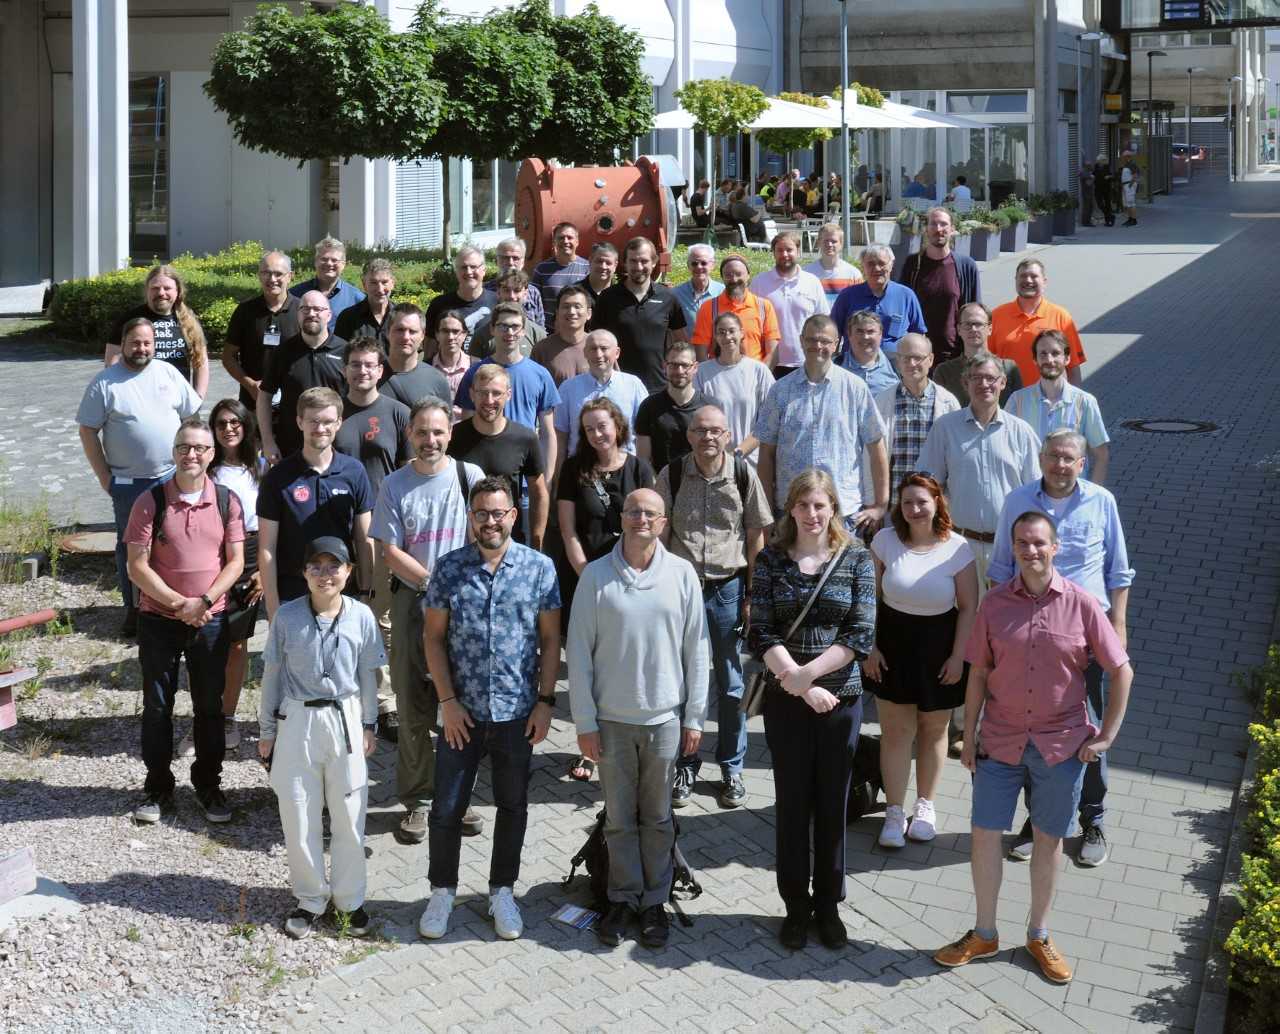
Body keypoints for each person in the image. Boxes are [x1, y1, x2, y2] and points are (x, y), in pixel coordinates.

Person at [933, 511, 1132, 986]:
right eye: (1023, 543)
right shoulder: (995, 604)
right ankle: (983, 933)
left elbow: (1121, 669)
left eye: (1039, 542)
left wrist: (1106, 736)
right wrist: (968, 733)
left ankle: (1038, 935)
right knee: (984, 834)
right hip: (999, 740)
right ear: (1013, 548)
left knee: (1049, 840)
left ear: (1055, 547)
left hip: (1060, 747)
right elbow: (978, 672)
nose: (1031, 550)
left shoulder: (1083, 605)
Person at [417, 478, 561, 942]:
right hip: (463, 713)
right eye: (481, 513)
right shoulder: (448, 569)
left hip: (518, 711)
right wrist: (448, 703)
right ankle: (442, 891)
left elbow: (550, 639)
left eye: (498, 513)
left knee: (513, 805)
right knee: (446, 808)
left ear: (513, 516)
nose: (490, 521)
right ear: (471, 517)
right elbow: (432, 639)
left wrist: (545, 701)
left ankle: (502, 891)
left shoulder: (539, 569)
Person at [568, 488, 708, 949]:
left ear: (663, 521)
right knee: (618, 820)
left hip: (665, 720)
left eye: (649, 513)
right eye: (632, 512)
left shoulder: (683, 575)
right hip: (610, 721)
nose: (640, 520)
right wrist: (584, 722)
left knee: (658, 817)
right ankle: (622, 899)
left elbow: (697, 649)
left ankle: (654, 902)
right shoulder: (595, 576)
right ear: (621, 518)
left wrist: (694, 718)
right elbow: (581, 656)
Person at [987, 430, 1134, 868]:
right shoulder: (1017, 501)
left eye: (1070, 458)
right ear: (1041, 458)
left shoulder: (1101, 502)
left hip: (1084, 640)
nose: (1061, 465)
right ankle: (1039, 820)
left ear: (1082, 463)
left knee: (1087, 731)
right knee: (1033, 728)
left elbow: (1118, 571)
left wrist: (1118, 626)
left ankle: (1092, 819)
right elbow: (999, 568)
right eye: (1053, 456)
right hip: (1027, 638)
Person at [748, 468, 876, 950]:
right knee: (792, 805)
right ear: (791, 509)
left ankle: (829, 906)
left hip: (840, 699)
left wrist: (811, 677)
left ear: (833, 507)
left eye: (820, 505)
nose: (812, 514)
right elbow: (761, 630)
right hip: (788, 702)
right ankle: (795, 906)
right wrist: (800, 686)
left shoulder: (857, 558)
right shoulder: (771, 559)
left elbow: (860, 634)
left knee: (832, 804)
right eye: (803, 505)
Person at [371, 398, 486, 846]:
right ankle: (417, 802)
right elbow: (390, 552)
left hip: (464, 607)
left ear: (450, 433)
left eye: (437, 431)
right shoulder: (395, 486)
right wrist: (434, 584)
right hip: (412, 604)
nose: (430, 440)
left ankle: (458, 796)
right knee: (414, 705)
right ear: (410, 435)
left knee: (461, 705)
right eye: (422, 432)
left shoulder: (468, 478)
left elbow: (487, 536)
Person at [257, 536, 383, 941]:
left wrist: (369, 724)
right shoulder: (287, 617)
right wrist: (266, 732)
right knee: (298, 814)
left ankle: (349, 901)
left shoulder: (362, 616)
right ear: (304, 572)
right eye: (317, 566)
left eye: (335, 566)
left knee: (348, 814)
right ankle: (310, 898)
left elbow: (369, 675)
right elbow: (272, 676)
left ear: (348, 572)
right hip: (297, 718)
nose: (325, 574)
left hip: (344, 717)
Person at [125, 417, 246, 825]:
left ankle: (209, 786)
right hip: (159, 619)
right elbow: (137, 567)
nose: (191, 455)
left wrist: (205, 601)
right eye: (183, 447)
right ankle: (158, 787)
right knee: (158, 706)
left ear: (212, 454)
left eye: (199, 448)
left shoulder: (228, 500)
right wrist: (181, 604)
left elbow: (237, 562)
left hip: (210, 620)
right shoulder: (150, 501)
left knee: (209, 707)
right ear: (173, 452)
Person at [657, 402, 772, 810]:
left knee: (730, 683)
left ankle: (731, 768)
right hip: (682, 590)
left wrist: (753, 595)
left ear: (727, 435)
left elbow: (756, 535)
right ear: (689, 435)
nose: (708, 437)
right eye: (700, 430)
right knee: (685, 683)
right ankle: (686, 764)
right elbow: (659, 533)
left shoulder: (743, 475)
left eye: (716, 431)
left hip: (728, 589)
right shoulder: (671, 474)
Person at [862, 474, 977, 847]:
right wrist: (871, 648)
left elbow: (969, 607)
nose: (914, 509)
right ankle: (894, 812)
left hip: (939, 651)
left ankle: (925, 806)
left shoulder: (957, 548)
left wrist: (959, 657)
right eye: (908, 502)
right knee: (896, 733)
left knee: (933, 730)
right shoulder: (884, 541)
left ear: (937, 503)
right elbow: (868, 600)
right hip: (892, 647)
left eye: (922, 502)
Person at [77, 317, 202, 637]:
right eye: (135, 342)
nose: (141, 348)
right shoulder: (105, 382)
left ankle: (173, 606)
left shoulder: (168, 373)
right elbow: (88, 430)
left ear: (154, 345)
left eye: (147, 343)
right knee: (133, 549)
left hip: (171, 477)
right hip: (129, 484)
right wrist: (104, 477)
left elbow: (192, 417)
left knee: (175, 543)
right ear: (123, 343)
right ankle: (134, 609)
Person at [176, 399, 265, 758]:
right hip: (213, 557)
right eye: (221, 423)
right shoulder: (205, 470)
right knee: (205, 642)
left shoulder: (261, 468)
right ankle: (204, 719)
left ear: (246, 427)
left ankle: (227, 717)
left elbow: (274, 522)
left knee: (237, 644)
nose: (229, 428)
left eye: (236, 422)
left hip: (251, 554)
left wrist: (262, 569)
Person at [917, 351, 1041, 592]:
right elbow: (928, 485)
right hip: (960, 546)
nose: (984, 384)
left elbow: (1037, 493)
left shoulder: (1022, 432)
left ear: (1003, 383)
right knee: (964, 619)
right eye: (976, 378)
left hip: (1009, 548)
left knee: (1007, 619)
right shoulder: (945, 428)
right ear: (965, 383)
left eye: (990, 378)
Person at [754, 315, 888, 536]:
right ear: (801, 341)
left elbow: (876, 446)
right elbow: (766, 454)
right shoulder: (780, 390)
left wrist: (880, 505)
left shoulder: (855, 388)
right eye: (812, 340)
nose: (818, 346)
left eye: (825, 341)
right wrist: (766, 511)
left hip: (843, 513)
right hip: (791, 512)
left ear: (836, 344)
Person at [257, 387, 374, 619]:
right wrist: (273, 607)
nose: (320, 429)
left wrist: (366, 591)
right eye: (313, 421)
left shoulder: (354, 471)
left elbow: (364, 539)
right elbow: (267, 548)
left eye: (328, 421)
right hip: (293, 595)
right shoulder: (277, 477)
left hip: (343, 593)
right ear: (300, 422)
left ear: (339, 423)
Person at [557, 398, 656, 650]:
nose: (597, 434)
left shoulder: (640, 469)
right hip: (586, 572)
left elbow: (651, 529)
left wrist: (638, 576)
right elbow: (568, 531)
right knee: (588, 648)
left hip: (632, 575)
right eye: (589, 429)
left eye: (602, 426)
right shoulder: (573, 469)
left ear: (618, 426)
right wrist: (588, 575)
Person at [449, 364, 550, 549]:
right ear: (472, 394)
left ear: (508, 395)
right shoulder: (452, 438)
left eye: (496, 393)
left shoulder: (525, 438)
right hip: (461, 543)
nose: (489, 400)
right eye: (482, 393)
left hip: (509, 542)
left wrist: (537, 542)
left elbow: (539, 492)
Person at [453, 302, 560, 478]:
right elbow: (467, 428)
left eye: (515, 326)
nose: (509, 332)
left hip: (525, 477)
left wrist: (547, 479)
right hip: (481, 476)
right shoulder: (475, 373)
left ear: (523, 331)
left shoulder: (540, 374)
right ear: (492, 330)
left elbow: (548, 434)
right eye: (503, 326)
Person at [869, 333, 960, 512]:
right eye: (905, 358)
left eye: (917, 358)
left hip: (934, 506)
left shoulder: (948, 402)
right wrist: (876, 502)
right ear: (897, 362)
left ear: (931, 359)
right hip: (894, 506)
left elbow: (956, 459)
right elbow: (871, 456)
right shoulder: (882, 401)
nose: (911, 364)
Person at [1004, 329, 1110, 483]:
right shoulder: (1017, 400)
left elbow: (1102, 455)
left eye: (1055, 353)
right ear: (1035, 359)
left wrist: (1092, 498)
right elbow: (1005, 449)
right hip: (1030, 496)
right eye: (1043, 354)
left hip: (1072, 498)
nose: (1049, 359)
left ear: (1067, 358)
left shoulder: (1085, 402)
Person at [256, 291, 346, 464]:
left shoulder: (345, 352)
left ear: (329, 315)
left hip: (336, 449)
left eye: (317, 309)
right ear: (298, 314)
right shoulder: (283, 352)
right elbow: (264, 397)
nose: (311, 314)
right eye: (305, 309)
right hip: (291, 448)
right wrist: (268, 441)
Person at [589, 237, 687, 393]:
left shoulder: (667, 297)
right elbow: (594, 339)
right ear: (625, 263)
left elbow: (681, 341)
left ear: (654, 262)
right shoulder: (608, 298)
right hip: (618, 385)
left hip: (658, 386)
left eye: (644, 261)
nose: (638, 266)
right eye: (633, 261)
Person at [106, 265, 210, 398]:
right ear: (147, 291)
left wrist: (197, 397)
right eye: (155, 288)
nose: (161, 293)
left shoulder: (189, 320)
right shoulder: (130, 320)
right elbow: (112, 362)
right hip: (140, 399)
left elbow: (200, 362)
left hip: (180, 400)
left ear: (177, 291)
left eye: (167, 288)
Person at [896, 207, 982, 366]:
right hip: (918, 356)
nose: (938, 229)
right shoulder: (913, 264)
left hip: (954, 356)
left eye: (943, 224)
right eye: (933, 224)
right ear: (926, 229)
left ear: (952, 229)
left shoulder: (966, 266)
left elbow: (975, 313)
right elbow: (901, 309)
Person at [553, 330, 648, 464]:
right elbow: (560, 437)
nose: (598, 354)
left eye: (604, 348)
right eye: (593, 349)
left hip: (625, 469)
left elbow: (645, 434)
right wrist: (557, 478)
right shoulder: (568, 388)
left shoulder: (633, 385)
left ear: (617, 352)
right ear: (585, 353)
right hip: (580, 469)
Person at [989, 259, 1087, 388]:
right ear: (1016, 280)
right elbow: (986, 361)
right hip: (1007, 400)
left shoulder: (1061, 317)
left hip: (1049, 401)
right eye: (1023, 276)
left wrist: (1075, 402)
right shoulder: (997, 315)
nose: (1028, 280)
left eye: (1034, 276)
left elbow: (1073, 367)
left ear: (1044, 282)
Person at [222, 250, 300, 411]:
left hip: (294, 406)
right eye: (266, 273)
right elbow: (228, 356)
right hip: (252, 403)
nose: (272, 279)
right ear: (259, 275)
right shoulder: (245, 311)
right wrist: (249, 385)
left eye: (278, 274)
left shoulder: (302, 310)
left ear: (290, 276)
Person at [692, 312, 774, 463]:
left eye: (731, 331)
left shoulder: (759, 370)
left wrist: (739, 452)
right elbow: (695, 419)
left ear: (742, 333)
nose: (727, 336)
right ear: (715, 337)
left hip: (751, 463)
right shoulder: (701, 373)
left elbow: (769, 419)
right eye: (721, 332)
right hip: (712, 462)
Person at [750, 231, 830, 379]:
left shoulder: (812, 282)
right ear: (773, 253)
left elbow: (822, 322)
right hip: (770, 362)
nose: (785, 254)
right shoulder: (759, 283)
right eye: (780, 250)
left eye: (789, 250)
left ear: (798, 251)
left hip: (806, 360)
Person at [829, 245, 927, 359]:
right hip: (854, 367)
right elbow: (833, 333)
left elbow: (919, 334)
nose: (876, 268)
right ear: (863, 267)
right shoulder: (848, 296)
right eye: (870, 264)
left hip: (895, 368)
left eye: (881, 263)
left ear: (891, 265)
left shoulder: (906, 295)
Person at [689, 254, 781, 366]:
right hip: (719, 377)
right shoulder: (708, 308)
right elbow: (701, 353)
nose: (734, 279)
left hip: (754, 377)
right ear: (722, 278)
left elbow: (773, 352)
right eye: (728, 275)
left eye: (738, 274)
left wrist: (760, 377)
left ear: (748, 275)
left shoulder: (764, 307)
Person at [933, 302, 1022, 408]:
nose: (973, 329)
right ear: (959, 330)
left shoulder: (1009, 368)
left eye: (978, 324)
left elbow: (1019, 408)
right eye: (968, 324)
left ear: (990, 329)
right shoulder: (944, 372)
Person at [635, 342, 705, 474]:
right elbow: (643, 460)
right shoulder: (649, 407)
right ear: (664, 366)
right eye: (673, 365)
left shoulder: (709, 406)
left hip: (700, 486)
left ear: (695, 367)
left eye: (685, 365)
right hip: (662, 487)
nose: (679, 371)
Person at [380, 303, 453, 411]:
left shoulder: (437, 381)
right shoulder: (369, 376)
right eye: (400, 330)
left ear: (422, 335)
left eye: (412, 331)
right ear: (387, 332)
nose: (406, 337)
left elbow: (445, 425)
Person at [423, 246, 497, 346]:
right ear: (456, 271)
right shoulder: (439, 305)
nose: (469, 272)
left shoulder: (497, 301)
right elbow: (429, 348)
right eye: (463, 267)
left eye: (473, 267)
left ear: (484, 270)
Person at [290, 236, 365, 332]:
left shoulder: (357, 298)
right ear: (315, 262)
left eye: (334, 260)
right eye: (324, 259)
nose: (329, 263)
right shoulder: (295, 294)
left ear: (343, 264)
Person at [470, 270, 547, 361]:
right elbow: (475, 372)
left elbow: (541, 370)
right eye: (506, 290)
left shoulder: (538, 334)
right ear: (498, 293)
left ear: (526, 294)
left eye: (517, 290)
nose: (512, 296)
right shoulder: (480, 335)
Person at [531, 222, 590, 329]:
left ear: (577, 242)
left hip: (580, 333)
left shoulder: (587, 268)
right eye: (561, 238)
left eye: (570, 237)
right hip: (549, 332)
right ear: (554, 242)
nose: (565, 241)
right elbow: (533, 302)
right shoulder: (542, 269)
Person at [530, 284, 591, 387]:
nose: (571, 312)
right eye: (566, 307)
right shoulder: (542, 349)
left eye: (577, 306)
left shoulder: (599, 346)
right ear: (557, 313)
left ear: (588, 314)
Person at [427, 310, 479, 422]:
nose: (451, 337)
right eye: (445, 331)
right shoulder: (425, 368)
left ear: (464, 335)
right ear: (437, 335)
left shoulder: (476, 367)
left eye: (456, 332)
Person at [484, 237, 545, 330]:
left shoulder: (533, 292)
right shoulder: (485, 291)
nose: (510, 262)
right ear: (497, 261)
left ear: (523, 262)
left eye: (515, 258)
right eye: (505, 258)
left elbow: (540, 328)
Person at [334, 258, 396, 346]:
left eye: (384, 282)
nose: (380, 289)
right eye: (373, 283)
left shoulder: (402, 317)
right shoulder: (348, 318)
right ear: (364, 285)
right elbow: (338, 355)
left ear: (393, 283)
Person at [802, 223, 864, 307]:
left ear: (841, 244)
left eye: (834, 241)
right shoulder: (807, 273)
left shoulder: (853, 274)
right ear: (819, 243)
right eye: (826, 241)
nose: (829, 244)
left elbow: (859, 304)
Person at [840, 311, 899, 393]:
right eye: (859, 331)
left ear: (880, 334)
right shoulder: (835, 365)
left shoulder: (897, 365)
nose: (865, 337)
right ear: (849, 334)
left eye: (870, 331)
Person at [670, 244, 724, 331]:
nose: (699, 267)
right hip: (687, 344)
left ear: (712, 265)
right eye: (694, 263)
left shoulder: (722, 292)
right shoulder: (676, 294)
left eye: (703, 263)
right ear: (688, 265)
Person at [575, 241, 619, 309]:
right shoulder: (574, 292)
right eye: (599, 261)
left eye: (608, 263)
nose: (603, 267)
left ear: (615, 265)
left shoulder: (621, 296)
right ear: (590, 261)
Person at [1093, 155, 1115, 227]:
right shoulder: (1096, 167)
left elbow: (1112, 176)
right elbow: (1094, 174)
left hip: (1106, 188)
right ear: (1099, 161)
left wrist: (1109, 176)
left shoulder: (1107, 166)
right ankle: (1110, 216)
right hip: (1098, 188)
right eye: (1103, 160)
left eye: (1104, 160)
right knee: (1100, 204)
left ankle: (1108, 221)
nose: (1104, 161)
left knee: (1108, 204)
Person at [1120, 151, 1140, 226]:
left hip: (1129, 185)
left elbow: (1135, 175)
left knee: (1131, 203)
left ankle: (1133, 220)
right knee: (1127, 203)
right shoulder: (1126, 165)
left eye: (1123, 157)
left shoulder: (1132, 164)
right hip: (1126, 185)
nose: (1122, 158)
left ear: (1127, 157)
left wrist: (1130, 185)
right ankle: (1130, 219)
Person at [1077, 162, 1095, 227]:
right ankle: (1086, 222)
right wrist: (1092, 178)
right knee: (1087, 207)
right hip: (1086, 193)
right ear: (1086, 166)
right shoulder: (1085, 174)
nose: (1091, 167)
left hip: (1089, 193)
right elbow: (1088, 183)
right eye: (1089, 166)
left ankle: (1087, 221)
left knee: (1090, 207)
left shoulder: (1087, 173)